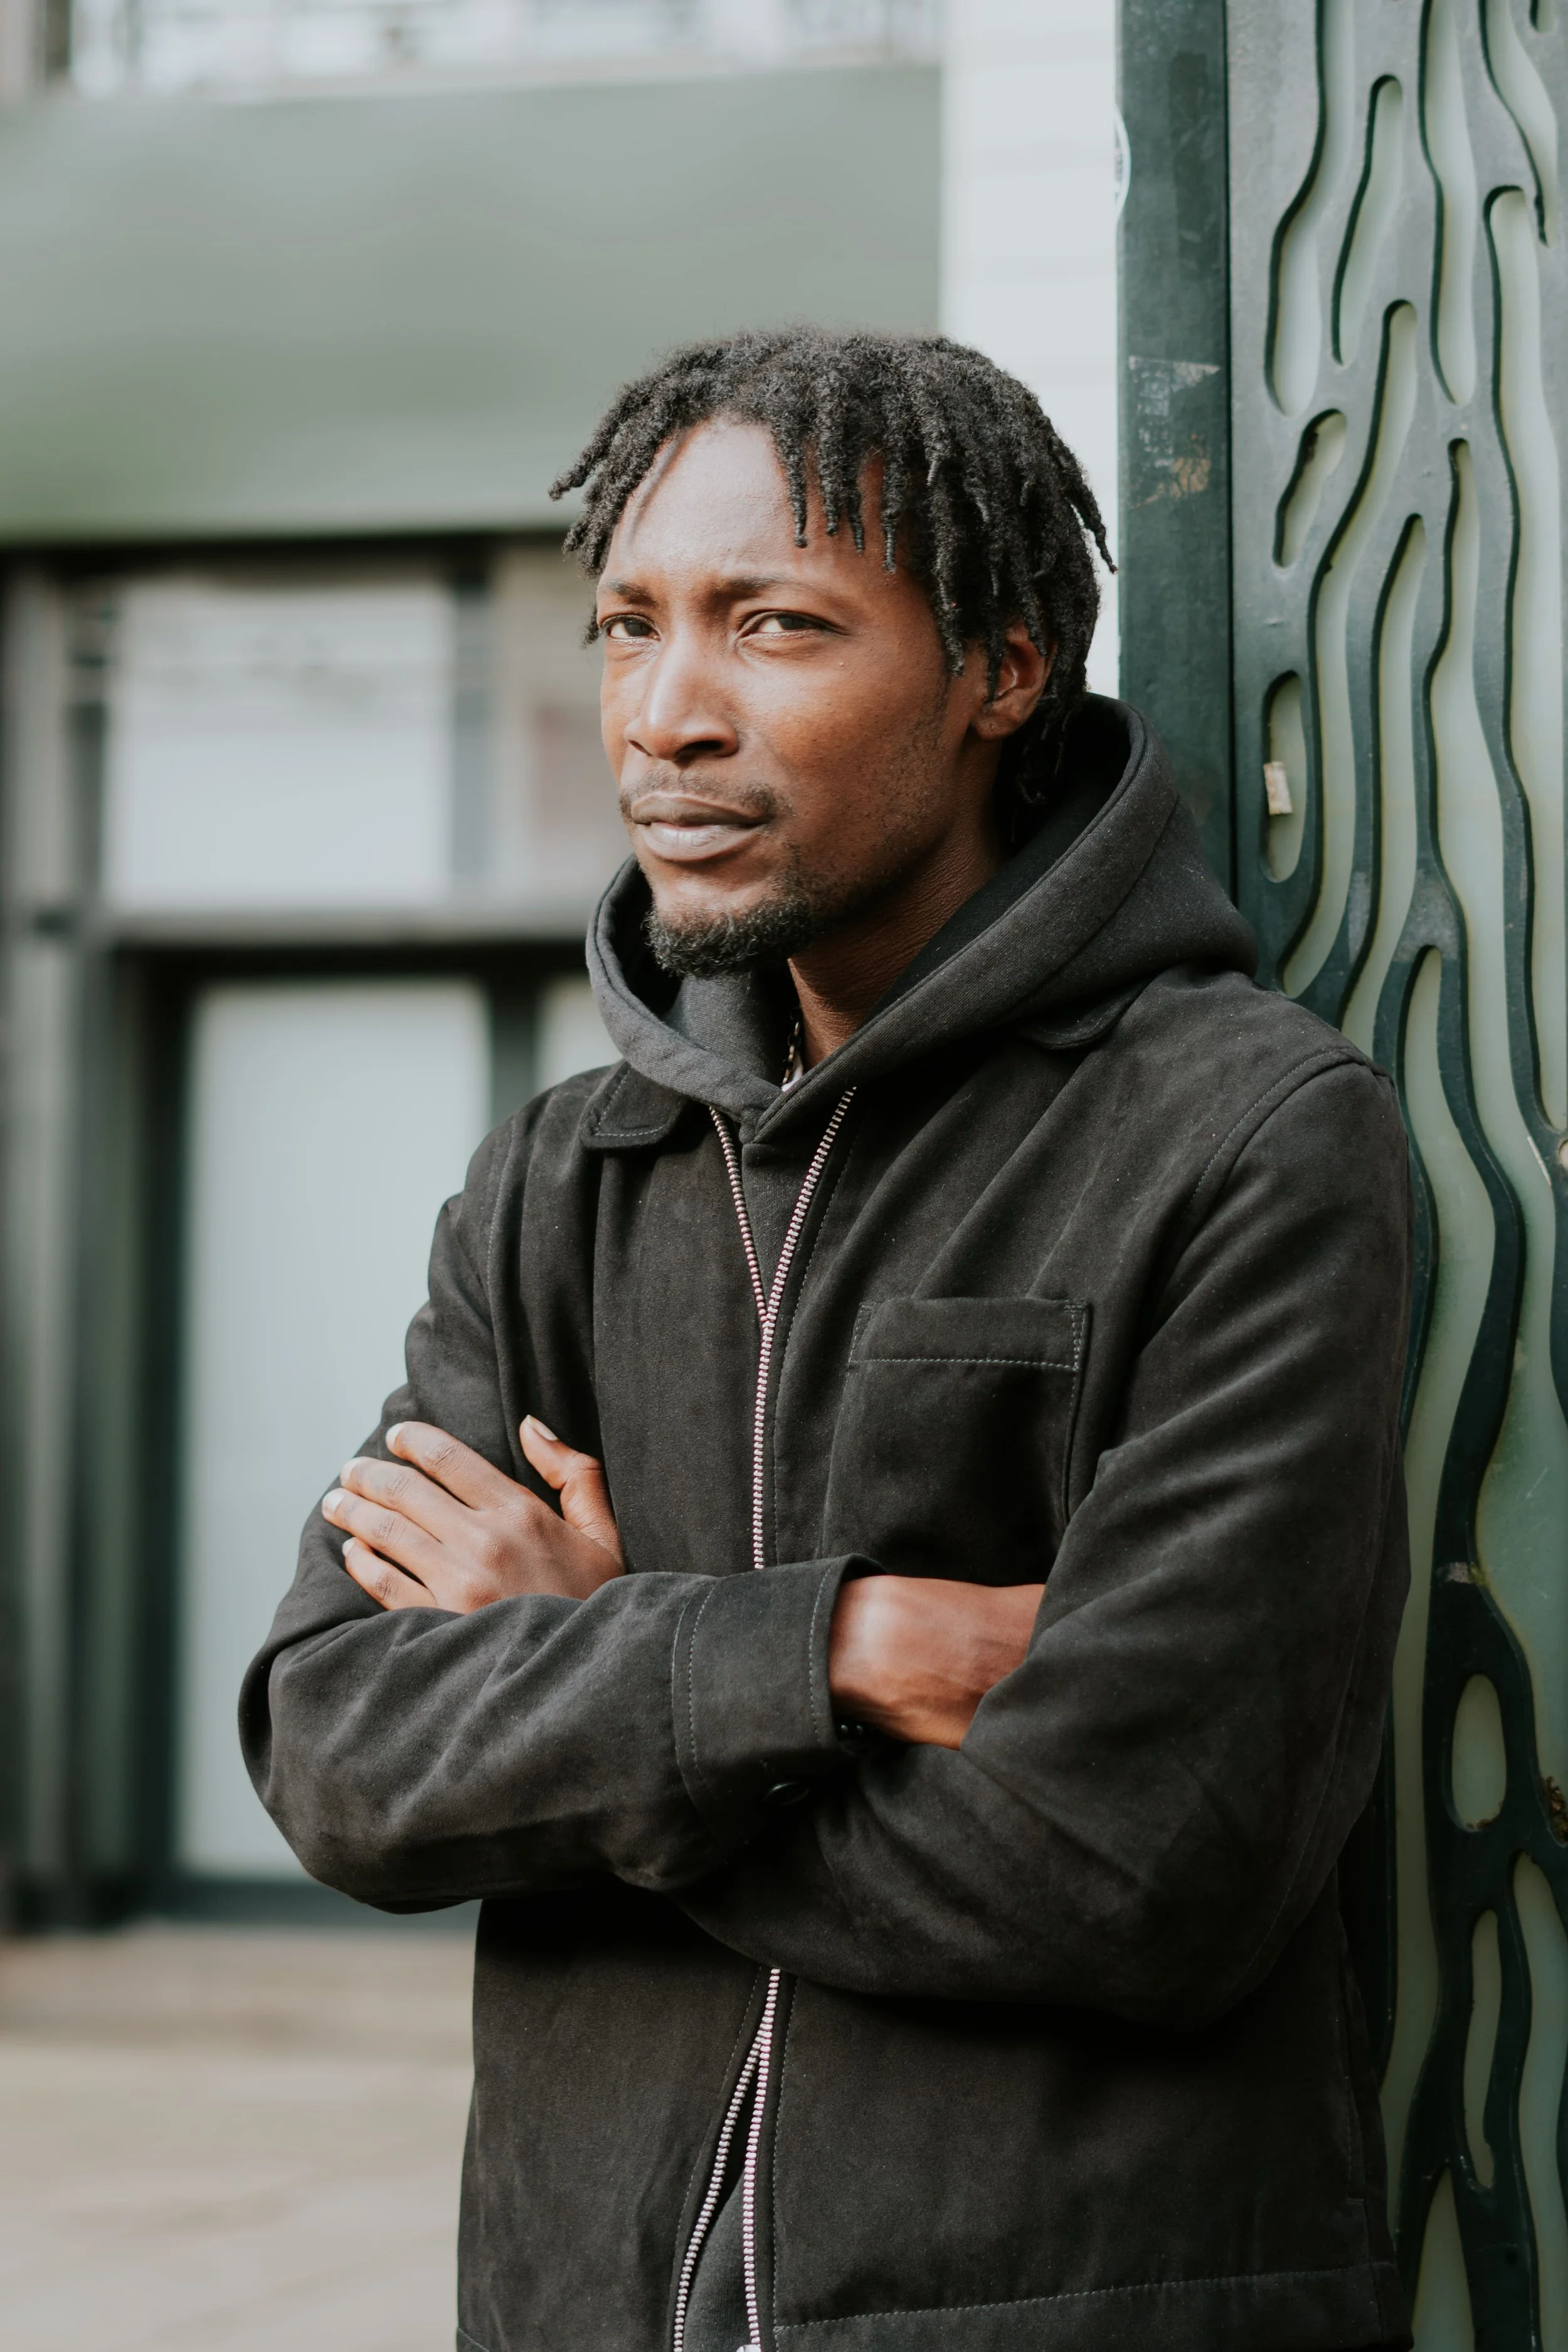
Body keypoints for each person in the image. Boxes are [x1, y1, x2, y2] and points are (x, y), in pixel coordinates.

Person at [241, 328, 1414, 2352]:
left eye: (773, 624)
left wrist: (595, 1674)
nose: (666, 715)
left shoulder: (1242, 1133)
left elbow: (1141, 1860)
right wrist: (843, 1650)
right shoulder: (563, 1175)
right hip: (577, 2301)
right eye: (628, 624)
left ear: (1000, 671)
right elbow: (343, 1752)